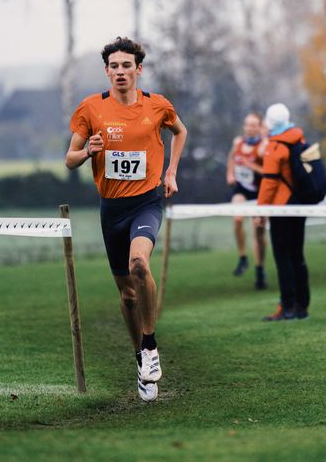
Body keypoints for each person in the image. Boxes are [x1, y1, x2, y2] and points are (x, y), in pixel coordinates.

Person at [65, 36, 187, 402]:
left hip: (146, 202)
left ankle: (150, 345)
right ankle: (140, 359)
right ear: (107, 71)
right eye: (114, 66)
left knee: (139, 263)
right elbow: (69, 158)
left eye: (126, 66)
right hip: (112, 210)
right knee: (128, 295)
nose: (121, 72)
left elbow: (180, 131)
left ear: (138, 69)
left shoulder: (157, 106)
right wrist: (88, 151)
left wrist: (171, 173)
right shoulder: (91, 109)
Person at [258, 103, 310, 321]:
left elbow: (269, 183)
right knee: (297, 256)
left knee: (283, 258)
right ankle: (301, 307)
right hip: (299, 205)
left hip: (280, 209)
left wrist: (260, 211)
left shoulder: (275, 146)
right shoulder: (299, 139)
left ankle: (287, 307)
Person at [226, 112, 267, 289]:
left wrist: (251, 165)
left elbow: (268, 172)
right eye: (247, 124)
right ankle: (243, 257)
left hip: (259, 192)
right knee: (237, 219)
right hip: (241, 189)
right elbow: (231, 158)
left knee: (258, 230)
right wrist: (230, 173)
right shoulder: (238, 142)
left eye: (253, 125)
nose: (249, 128)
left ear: (259, 127)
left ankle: (260, 269)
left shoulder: (264, 146)